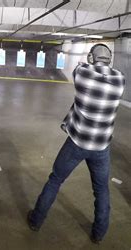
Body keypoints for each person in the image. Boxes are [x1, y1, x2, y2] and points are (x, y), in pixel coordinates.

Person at [27, 44, 126, 244]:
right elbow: (110, 72)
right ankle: (98, 234)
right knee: (101, 190)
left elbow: (80, 66)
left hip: (77, 142)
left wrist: (89, 61)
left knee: (55, 180)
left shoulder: (83, 75)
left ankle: (36, 220)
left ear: (91, 58)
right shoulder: (120, 80)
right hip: (101, 147)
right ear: (110, 59)